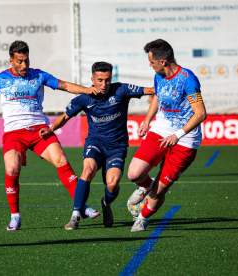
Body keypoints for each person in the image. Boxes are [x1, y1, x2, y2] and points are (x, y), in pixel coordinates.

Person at [0, 40, 100, 231]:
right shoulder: (0, 79)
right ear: (11, 61)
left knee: (61, 159)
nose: (24, 65)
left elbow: (63, 85)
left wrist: (86, 89)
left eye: (26, 60)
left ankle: (80, 206)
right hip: (14, 133)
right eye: (20, 61)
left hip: (39, 129)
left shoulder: (39, 75)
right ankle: (15, 216)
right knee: (12, 168)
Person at [40, 62, 155, 230]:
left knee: (113, 184)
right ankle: (75, 216)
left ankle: (106, 202)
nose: (104, 84)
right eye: (100, 80)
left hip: (117, 146)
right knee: (87, 171)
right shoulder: (85, 98)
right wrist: (51, 129)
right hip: (95, 143)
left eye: (107, 80)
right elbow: (65, 117)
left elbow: (151, 90)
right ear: (92, 79)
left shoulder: (121, 90)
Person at [127, 39, 207, 232]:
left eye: (152, 62)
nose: (150, 65)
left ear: (163, 62)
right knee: (134, 174)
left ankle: (143, 218)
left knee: (160, 190)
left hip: (185, 140)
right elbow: (157, 97)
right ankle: (147, 186)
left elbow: (201, 113)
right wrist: (147, 121)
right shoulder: (158, 76)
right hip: (160, 131)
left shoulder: (188, 79)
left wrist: (177, 135)